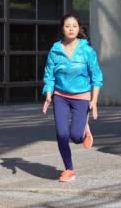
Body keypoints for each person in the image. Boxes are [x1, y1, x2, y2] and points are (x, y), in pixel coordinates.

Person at [41, 14, 103, 182]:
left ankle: (83, 130)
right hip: (60, 96)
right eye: (67, 26)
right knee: (61, 134)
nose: (70, 29)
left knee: (75, 137)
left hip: (81, 97)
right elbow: (49, 74)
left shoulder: (87, 51)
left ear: (79, 29)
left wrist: (94, 101)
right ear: (62, 28)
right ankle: (69, 169)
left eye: (74, 26)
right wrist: (48, 93)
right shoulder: (55, 50)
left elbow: (96, 76)